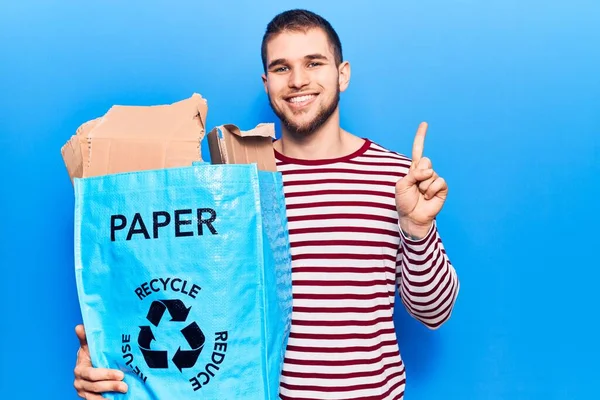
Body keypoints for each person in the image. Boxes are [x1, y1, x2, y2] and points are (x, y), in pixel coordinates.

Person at [72, 9, 460, 400]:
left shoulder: (396, 177)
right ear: (266, 82)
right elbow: (183, 292)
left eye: (314, 63)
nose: (298, 80)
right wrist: (110, 357)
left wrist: (417, 230)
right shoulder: (232, 184)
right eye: (281, 68)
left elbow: (434, 312)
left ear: (342, 73)